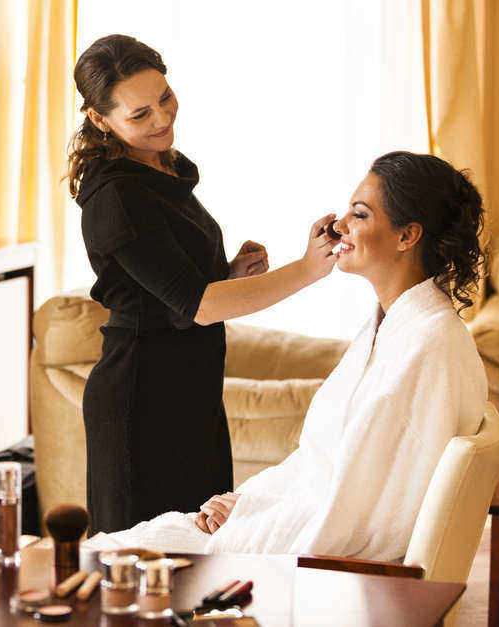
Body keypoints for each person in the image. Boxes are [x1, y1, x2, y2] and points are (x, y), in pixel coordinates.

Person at [86, 151, 488, 562]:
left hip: (322, 563)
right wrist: (247, 503)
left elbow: (368, 514)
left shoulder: (427, 347)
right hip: (292, 522)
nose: (339, 225)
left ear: (408, 236)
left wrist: (252, 522)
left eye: (360, 215)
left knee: (110, 559)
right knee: (110, 551)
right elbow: (323, 465)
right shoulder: (394, 328)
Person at [68, 34, 339, 534]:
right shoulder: (117, 197)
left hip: (192, 392)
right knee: (143, 570)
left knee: (203, 555)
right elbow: (198, 305)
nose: (162, 120)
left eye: (165, 98)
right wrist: (305, 269)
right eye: (140, 114)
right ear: (100, 120)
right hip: (140, 401)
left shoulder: (158, 166)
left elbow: (172, 290)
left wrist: (228, 275)